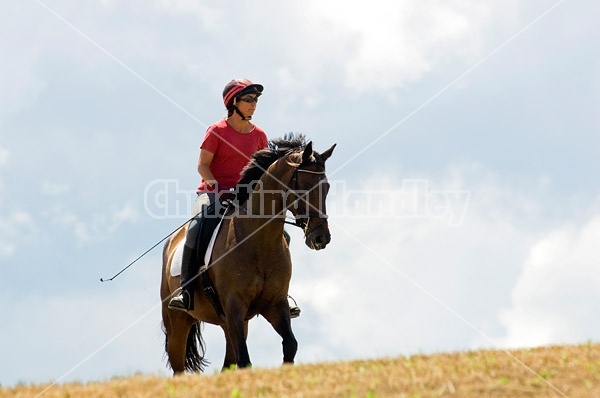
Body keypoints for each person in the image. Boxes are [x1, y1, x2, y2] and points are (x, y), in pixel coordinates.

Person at [168, 78, 301, 319]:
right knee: (197, 227)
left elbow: (262, 173)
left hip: (244, 197)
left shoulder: (260, 135)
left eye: (256, 101)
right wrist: (217, 187)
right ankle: (185, 291)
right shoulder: (216, 131)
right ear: (234, 103)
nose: (253, 105)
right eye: (248, 100)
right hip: (212, 193)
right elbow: (202, 166)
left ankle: (281, 294)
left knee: (283, 235)